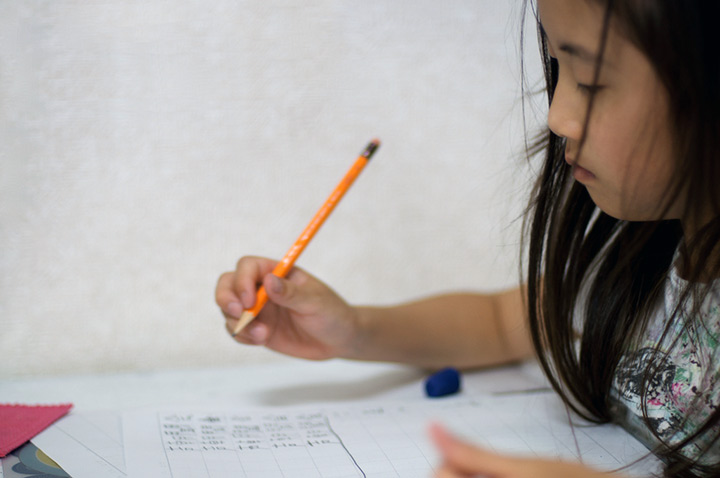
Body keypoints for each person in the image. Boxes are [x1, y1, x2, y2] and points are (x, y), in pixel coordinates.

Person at [216, 0, 720, 476]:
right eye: (556, 68)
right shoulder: (644, 267)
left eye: (589, 81)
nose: (557, 116)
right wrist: (353, 329)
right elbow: (503, 322)